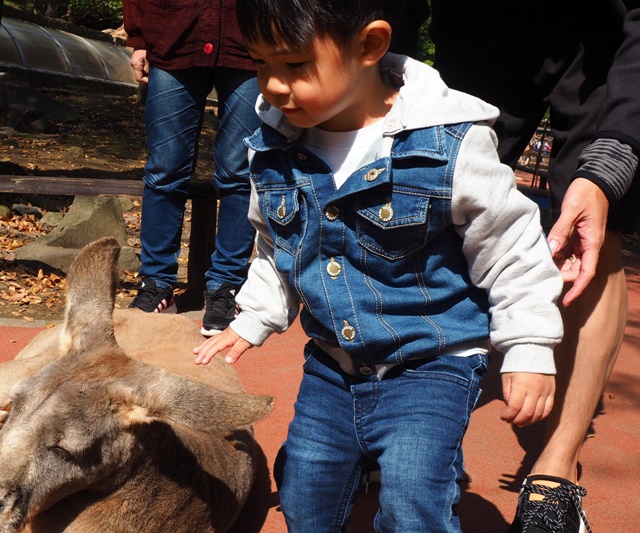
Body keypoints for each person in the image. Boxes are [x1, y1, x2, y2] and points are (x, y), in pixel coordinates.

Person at [193, 0, 565, 530]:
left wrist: (528, 344)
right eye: (259, 63)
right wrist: (252, 318)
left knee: (415, 497)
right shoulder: (272, 146)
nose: (272, 85)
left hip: (432, 361)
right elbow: (278, 248)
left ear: (368, 46)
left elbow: (512, 249)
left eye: (294, 64)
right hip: (332, 364)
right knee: (304, 492)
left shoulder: (449, 142)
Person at [391, 2, 640, 531]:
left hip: (606, 32)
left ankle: (555, 471)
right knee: (440, 202)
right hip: (482, 24)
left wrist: (613, 158)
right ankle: (413, 424)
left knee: (593, 228)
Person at [122, 0, 261, 336]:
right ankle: (156, 284)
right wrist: (139, 37)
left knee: (239, 172)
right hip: (174, 32)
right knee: (164, 171)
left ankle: (226, 287)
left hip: (250, 37)